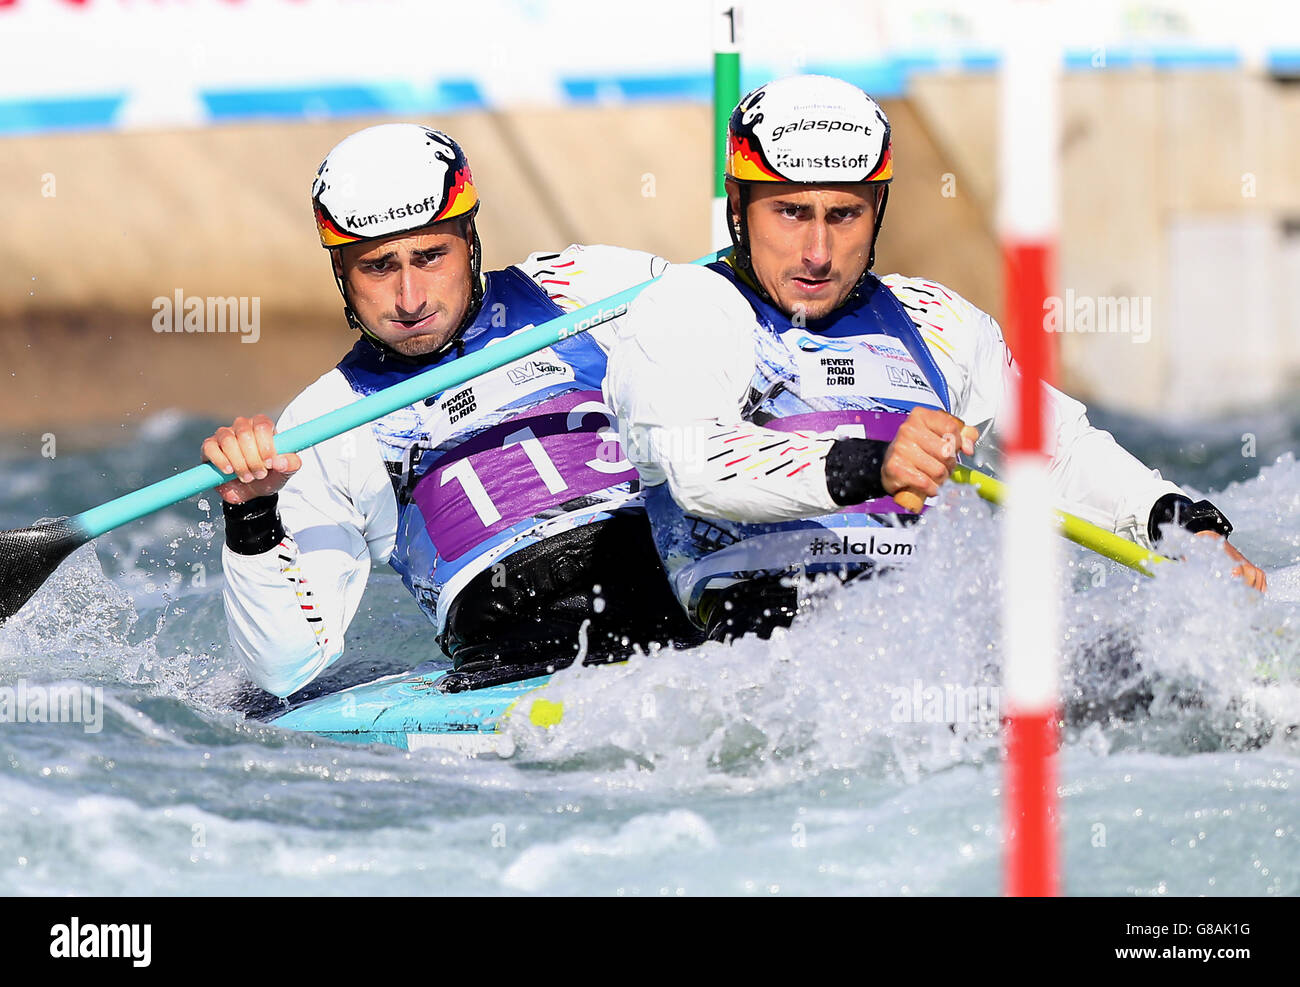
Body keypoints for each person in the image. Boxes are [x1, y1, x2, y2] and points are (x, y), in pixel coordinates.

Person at [604, 74, 1266, 643]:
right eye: (790, 213)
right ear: (739, 205)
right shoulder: (688, 307)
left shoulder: (934, 318)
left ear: (880, 208)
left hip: (941, 637)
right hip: (776, 655)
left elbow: (1055, 449)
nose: (816, 251)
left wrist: (1182, 524)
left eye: (843, 216)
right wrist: (874, 462)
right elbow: (696, 464)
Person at [203, 124, 699, 698]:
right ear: (341, 272)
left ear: (471, 238)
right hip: (515, 658)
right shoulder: (325, 422)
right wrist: (252, 517)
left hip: (682, 592)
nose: (410, 299)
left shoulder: (589, 289)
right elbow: (282, 670)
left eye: (431, 256)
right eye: (378, 267)